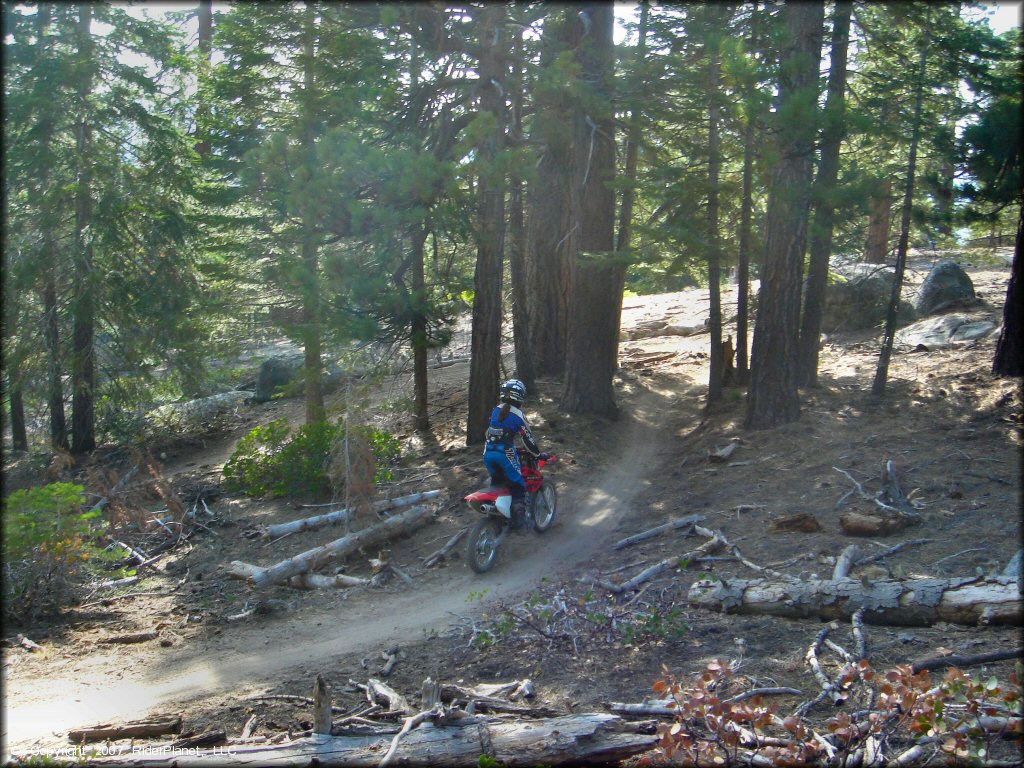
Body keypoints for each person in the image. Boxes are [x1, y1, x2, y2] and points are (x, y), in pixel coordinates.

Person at [482, 378, 547, 530]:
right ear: (520, 396)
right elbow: (528, 440)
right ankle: (521, 525)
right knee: (518, 486)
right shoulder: (518, 415)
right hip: (505, 454)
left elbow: (488, 433)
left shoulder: (495, 410)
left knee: (498, 482)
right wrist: (537, 455)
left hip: (488, 454)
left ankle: (497, 517)